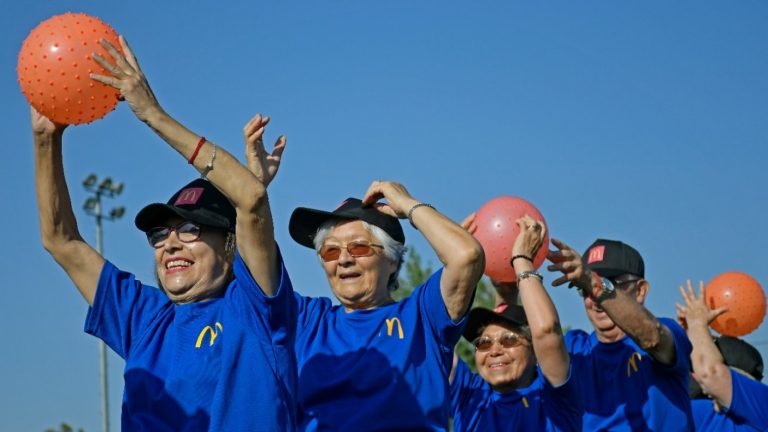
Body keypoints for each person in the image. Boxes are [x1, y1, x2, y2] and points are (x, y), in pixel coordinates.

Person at [33, 35, 296, 430]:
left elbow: (252, 200)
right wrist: (45, 140)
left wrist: (152, 114)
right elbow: (61, 241)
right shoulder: (145, 317)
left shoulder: (255, 308)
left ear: (229, 246)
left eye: (190, 229)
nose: (170, 242)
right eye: (160, 234)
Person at [284, 182, 485, 430]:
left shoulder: (421, 318)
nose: (344, 259)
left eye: (358, 247)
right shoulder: (307, 320)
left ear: (392, 260)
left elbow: (466, 256)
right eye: (331, 252)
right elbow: (246, 277)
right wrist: (253, 192)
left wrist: (408, 204)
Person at [449, 216, 582, 431]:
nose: (494, 351)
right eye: (483, 343)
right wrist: (458, 262)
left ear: (535, 351)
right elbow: (432, 331)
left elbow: (547, 331)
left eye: (509, 340)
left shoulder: (555, 397)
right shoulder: (469, 394)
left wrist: (521, 259)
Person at [548, 239, 693, 430]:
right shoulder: (575, 347)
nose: (595, 299)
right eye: (585, 289)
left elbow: (652, 337)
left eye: (612, 283)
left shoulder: (668, 330)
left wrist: (593, 282)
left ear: (641, 290)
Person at [678, 280, 768, 431]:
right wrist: (690, 335)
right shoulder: (692, 409)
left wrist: (697, 325)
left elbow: (711, 375)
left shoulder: (762, 405)